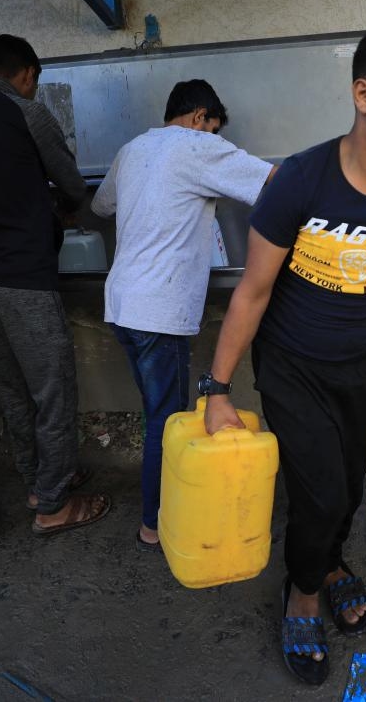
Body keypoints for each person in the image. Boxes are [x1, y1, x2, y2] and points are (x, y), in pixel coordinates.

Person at [202, 20, 366, 684]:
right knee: (316, 494)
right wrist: (216, 389)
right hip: (290, 366)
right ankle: (303, 592)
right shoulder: (300, 180)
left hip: (357, 367)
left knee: (345, 492)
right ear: (364, 94)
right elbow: (252, 292)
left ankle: (332, 561)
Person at [0, 34, 110, 535]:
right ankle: (53, 505)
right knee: (53, 390)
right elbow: (71, 180)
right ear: (27, 74)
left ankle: (39, 480)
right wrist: (72, 207)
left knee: (12, 389)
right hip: (23, 278)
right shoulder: (26, 113)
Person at [90, 80, 276, 551]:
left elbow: (101, 204)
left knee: (158, 413)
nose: (214, 138)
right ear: (199, 118)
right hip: (160, 309)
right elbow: (273, 182)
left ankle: (158, 511)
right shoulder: (196, 145)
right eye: (213, 129)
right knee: (167, 420)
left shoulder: (133, 148)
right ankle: (155, 523)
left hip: (122, 305)